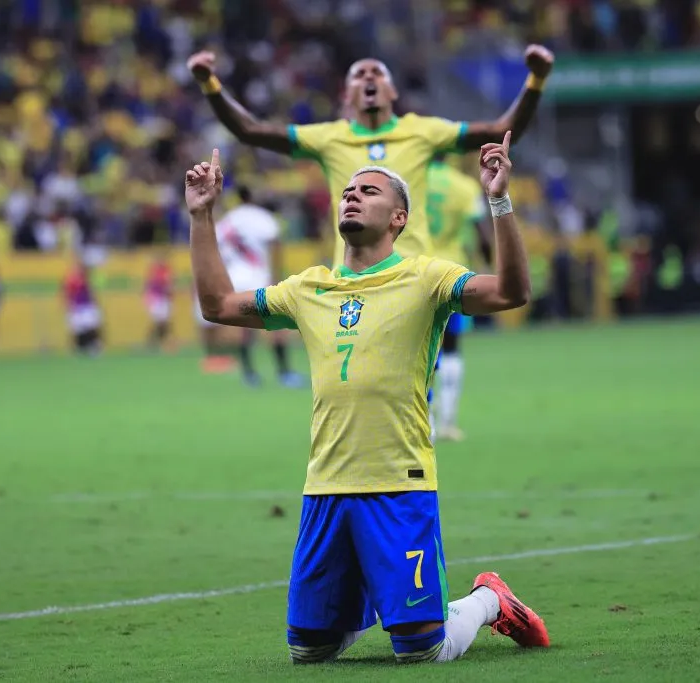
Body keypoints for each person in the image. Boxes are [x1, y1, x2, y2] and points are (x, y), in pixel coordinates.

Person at [185, 139, 548, 664]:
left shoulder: (428, 278)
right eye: (347, 191)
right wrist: (201, 216)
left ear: (399, 217)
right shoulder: (308, 289)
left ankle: (488, 599)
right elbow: (218, 305)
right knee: (308, 651)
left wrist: (499, 200)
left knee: (422, 651)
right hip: (325, 487)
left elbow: (512, 292)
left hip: (398, 486)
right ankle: (376, 596)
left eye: (369, 191)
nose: (352, 195)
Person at [187, 46, 554, 267]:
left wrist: (535, 80)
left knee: (416, 375)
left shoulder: (424, 131)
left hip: (413, 273)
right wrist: (209, 83)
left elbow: (504, 129)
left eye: (377, 72)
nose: (368, 77)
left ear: (392, 91)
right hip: (352, 274)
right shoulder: (328, 137)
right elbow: (250, 130)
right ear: (347, 95)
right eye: (359, 74)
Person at [212, 185, 304, 387]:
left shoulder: (228, 221)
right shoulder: (263, 217)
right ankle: (284, 373)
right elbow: (275, 245)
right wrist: (277, 277)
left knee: (244, 328)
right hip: (260, 278)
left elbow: (216, 250)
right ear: (251, 197)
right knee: (277, 324)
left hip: (235, 280)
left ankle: (249, 374)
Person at [426, 154, 490, 442]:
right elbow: (482, 234)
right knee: (451, 347)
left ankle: (424, 421)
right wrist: (489, 263)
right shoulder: (464, 186)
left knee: (417, 350)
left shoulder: (408, 182)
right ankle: (448, 421)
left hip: (415, 274)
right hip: (453, 275)